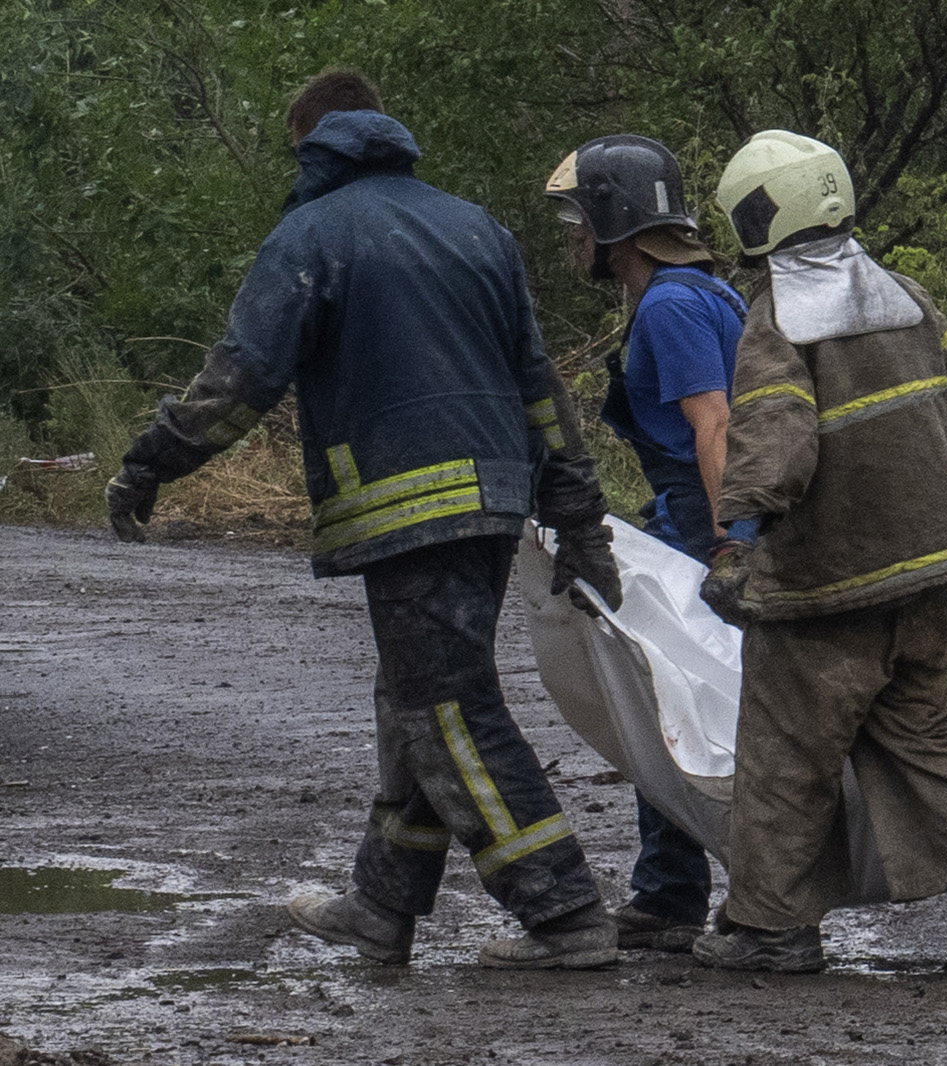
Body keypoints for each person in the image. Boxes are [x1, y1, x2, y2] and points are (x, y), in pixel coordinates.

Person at [104, 71, 626, 970]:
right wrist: (577, 518)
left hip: (404, 509)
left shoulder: (309, 236)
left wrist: (151, 461)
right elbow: (540, 390)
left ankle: (565, 912)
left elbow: (240, 382)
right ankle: (382, 906)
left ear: (311, 145)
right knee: (415, 699)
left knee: (448, 709)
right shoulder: (479, 230)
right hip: (493, 504)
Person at [691, 130, 947, 977]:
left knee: (788, 751)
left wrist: (738, 542)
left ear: (759, 217)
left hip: (826, 582)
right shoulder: (906, 294)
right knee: (920, 732)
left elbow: (776, 437)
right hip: (928, 569)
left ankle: (770, 929)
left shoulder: (780, 316)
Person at [543, 134, 752, 952]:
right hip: (692, 517)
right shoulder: (705, 292)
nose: (574, 239)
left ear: (612, 221)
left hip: (707, 527)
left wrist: (729, 541)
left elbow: (715, 424)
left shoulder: (668, 306)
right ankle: (670, 891)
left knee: (670, 701)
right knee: (672, 695)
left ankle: (674, 896)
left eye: (578, 221)